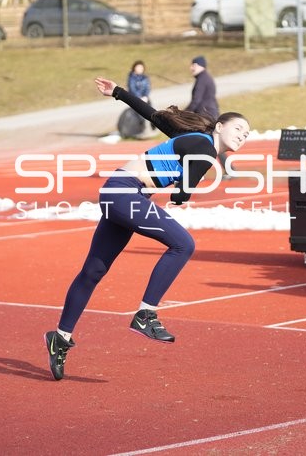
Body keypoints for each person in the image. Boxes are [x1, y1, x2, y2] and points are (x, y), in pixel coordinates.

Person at [44, 76, 250, 380]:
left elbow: (152, 115)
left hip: (120, 192)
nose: (242, 136)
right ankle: (146, 314)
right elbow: (181, 194)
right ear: (219, 126)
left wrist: (117, 92)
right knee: (184, 245)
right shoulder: (204, 150)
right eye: (238, 129)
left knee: (93, 272)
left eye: (246, 135)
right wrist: (185, 189)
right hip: (124, 193)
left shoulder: (192, 136)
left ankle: (59, 337)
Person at [186, 55, 228, 169]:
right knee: (210, 143)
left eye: (193, 65)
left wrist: (184, 113)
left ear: (200, 65)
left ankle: (192, 169)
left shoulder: (202, 79)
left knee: (209, 143)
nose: (191, 68)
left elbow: (196, 100)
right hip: (208, 115)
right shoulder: (204, 78)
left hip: (205, 117)